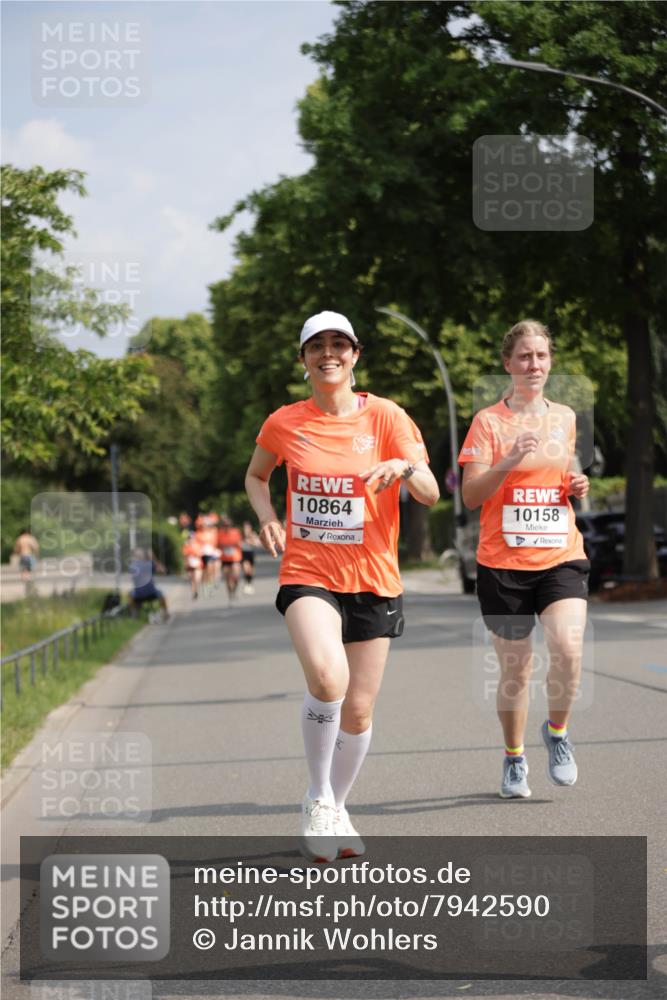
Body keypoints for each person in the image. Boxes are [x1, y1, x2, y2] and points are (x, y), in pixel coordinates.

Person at [245, 310, 439, 862]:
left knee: (358, 710)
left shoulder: (386, 417)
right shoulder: (284, 422)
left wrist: (402, 465)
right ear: (303, 358)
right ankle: (317, 798)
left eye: (339, 344)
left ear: (355, 355)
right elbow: (257, 475)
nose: (328, 354)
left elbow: (429, 491)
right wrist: (266, 517)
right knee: (328, 679)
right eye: (316, 346)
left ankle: (335, 802)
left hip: (374, 576)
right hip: (308, 571)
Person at [458, 319, 589, 800]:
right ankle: (514, 758)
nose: (534, 364)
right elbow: (472, 495)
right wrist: (509, 458)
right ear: (507, 364)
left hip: (560, 554)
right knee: (516, 672)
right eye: (524, 357)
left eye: (541, 356)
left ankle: (557, 732)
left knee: (569, 648)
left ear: (550, 361)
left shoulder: (566, 417)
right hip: (503, 564)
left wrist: (576, 486)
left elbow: (563, 475)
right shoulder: (488, 422)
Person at [128, 548, 170, 621]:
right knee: (131, 595)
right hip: (144, 593)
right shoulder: (146, 564)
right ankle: (135, 613)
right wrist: (154, 558)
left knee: (130, 595)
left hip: (147, 592)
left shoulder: (138, 565)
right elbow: (163, 570)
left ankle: (135, 614)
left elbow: (163, 570)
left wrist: (153, 559)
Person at [217, 516, 243, 604]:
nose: (226, 527)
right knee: (227, 578)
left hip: (235, 558)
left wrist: (230, 544)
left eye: (227, 525)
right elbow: (217, 544)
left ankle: (234, 590)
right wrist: (222, 545)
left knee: (236, 576)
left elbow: (239, 543)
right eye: (224, 525)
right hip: (224, 559)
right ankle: (230, 594)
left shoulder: (235, 532)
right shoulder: (219, 533)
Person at [241, 520, 261, 594]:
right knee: (246, 569)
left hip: (251, 553)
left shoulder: (253, 534)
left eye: (247, 528)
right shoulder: (241, 535)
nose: (246, 529)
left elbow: (258, 544)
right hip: (243, 554)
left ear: (250, 528)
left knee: (251, 571)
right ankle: (247, 584)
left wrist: (251, 541)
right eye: (245, 528)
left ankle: (250, 583)